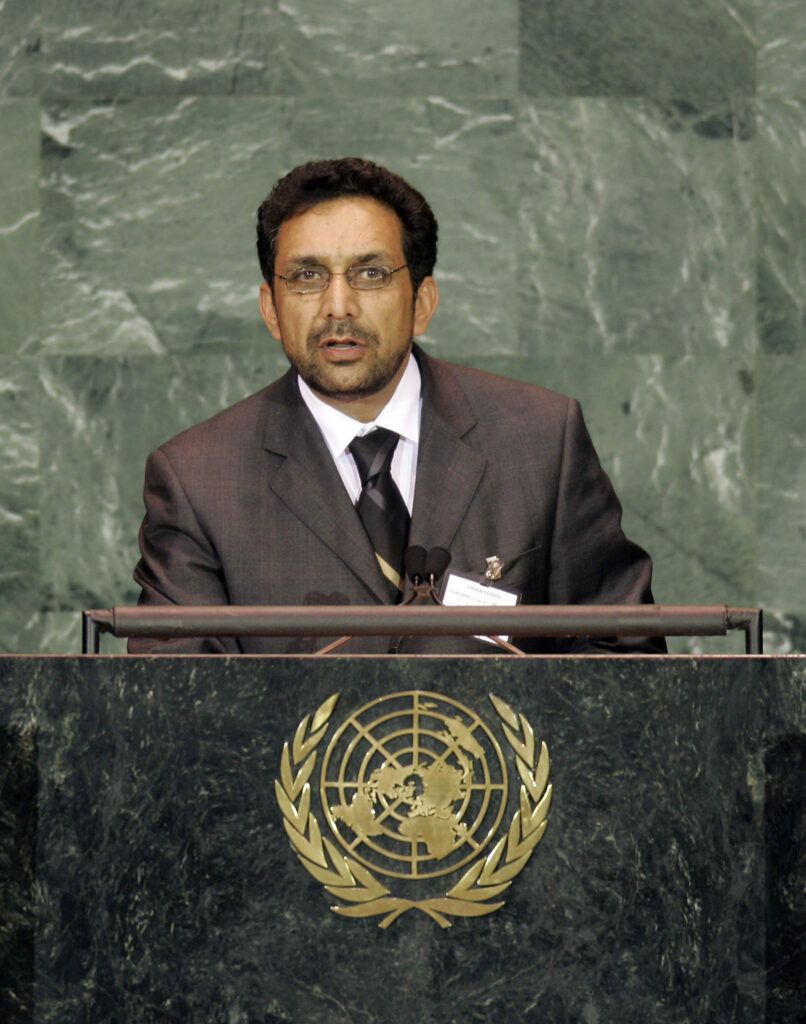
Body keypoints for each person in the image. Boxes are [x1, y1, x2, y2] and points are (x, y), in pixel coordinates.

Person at [130, 157, 664, 654]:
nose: (338, 307)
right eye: (307, 277)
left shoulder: (542, 441)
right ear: (271, 308)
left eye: (370, 273)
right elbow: (181, 710)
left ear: (423, 302)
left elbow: (624, 663)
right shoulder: (198, 481)